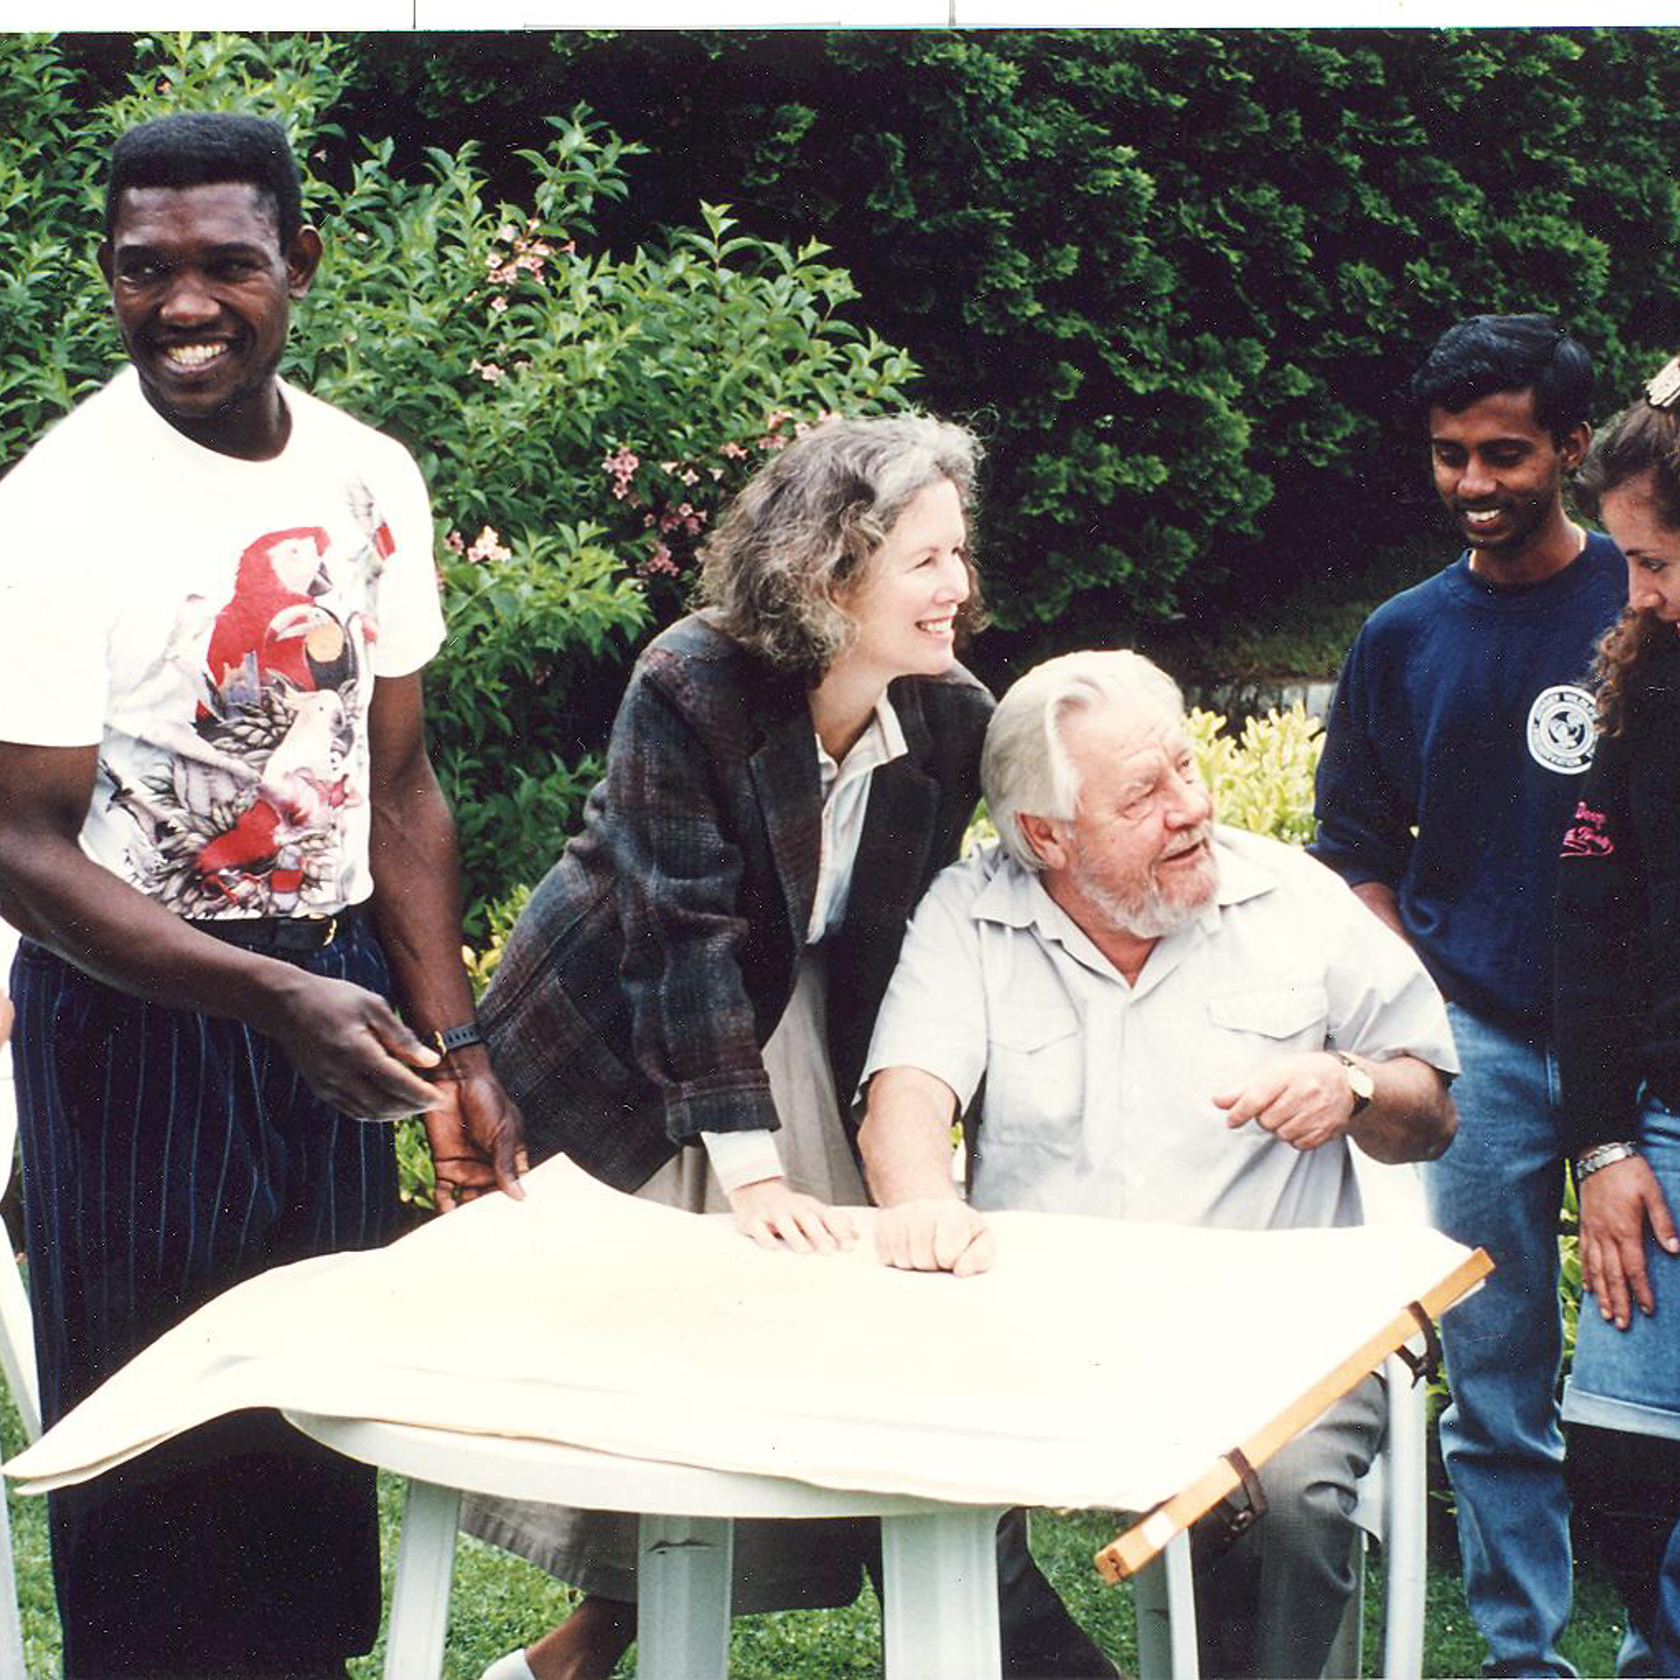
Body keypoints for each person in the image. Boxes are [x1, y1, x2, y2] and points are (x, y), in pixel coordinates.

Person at [0, 112, 524, 1679]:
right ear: (109, 279)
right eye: (144, 270)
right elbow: (22, 843)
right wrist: (270, 998)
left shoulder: (371, 476)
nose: (184, 304)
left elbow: (402, 781)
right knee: (156, 1472)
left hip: (332, 992)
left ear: (296, 263)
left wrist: (461, 1049)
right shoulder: (59, 504)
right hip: (139, 1021)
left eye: (228, 263)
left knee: (309, 1451)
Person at [471, 415, 1109, 1680]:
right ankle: (597, 1645)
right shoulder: (690, 681)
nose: (961, 589)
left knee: (824, 1344)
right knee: (674, 1360)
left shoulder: (945, 717)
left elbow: (955, 910)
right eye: (928, 561)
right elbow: (681, 932)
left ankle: (597, 1652)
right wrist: (754, 1171)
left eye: (960, 553)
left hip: (806, 1014)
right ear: (831, 574)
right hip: (628, 1021)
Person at [855, 648, 1458, 1679]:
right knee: (877, 1480)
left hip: (1271, 1340)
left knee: (1295, 1502)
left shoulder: (1290, 899)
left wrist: (1352, 1083)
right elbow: (905, 1095)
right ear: (1044, 835)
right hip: (1043, 1330)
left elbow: (1431, 1105)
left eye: (1186, 768)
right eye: (1144, 793)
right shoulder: (974, 913)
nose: (1191, 807)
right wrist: (920, 1206)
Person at [1312, 313, 1625, 1676]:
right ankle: (1521, 1657)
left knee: (1652, 1395)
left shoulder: (1644, 597)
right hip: (1478, 1045)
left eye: (1506, 454)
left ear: (1570, 445)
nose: (1474, 484)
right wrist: (1419, 1004)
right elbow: (1355, 857)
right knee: (1494, 1389)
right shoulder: (1399, 638)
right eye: (1449, 458)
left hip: (1646, 1045)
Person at [1553, 356, 1680, 1678]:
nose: (1633, 591)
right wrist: (1602, 1144)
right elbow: (1584, 935)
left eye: (1654, 559)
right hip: (1663, 1142)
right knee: (1627, 1478)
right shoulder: (1643, 686)